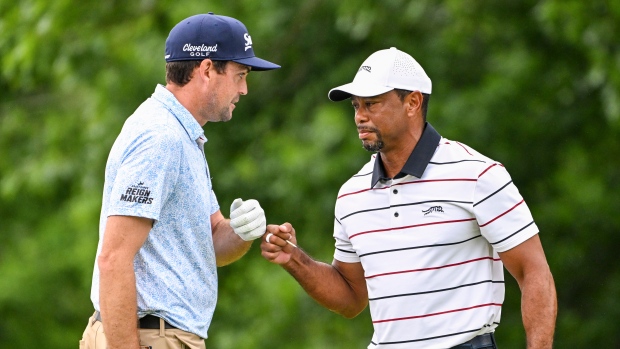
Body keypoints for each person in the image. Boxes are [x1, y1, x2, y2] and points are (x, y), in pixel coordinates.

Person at [261, 47, 557, 349]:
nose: (360, 117)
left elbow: (533, 271)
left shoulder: (477, 175)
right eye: (356, 106)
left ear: (413, 103)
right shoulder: (352, 195)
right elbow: (351, 298)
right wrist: (294, 259)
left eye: (372, 104)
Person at [79, 13, 280, 349]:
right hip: (148, 336)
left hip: (155, 334)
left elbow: (211, 240)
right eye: (240, 75)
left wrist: (241, 231)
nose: (244, 89)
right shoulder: (161, 138)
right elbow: (114, 258)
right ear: (206, 70)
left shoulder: (182, 136)